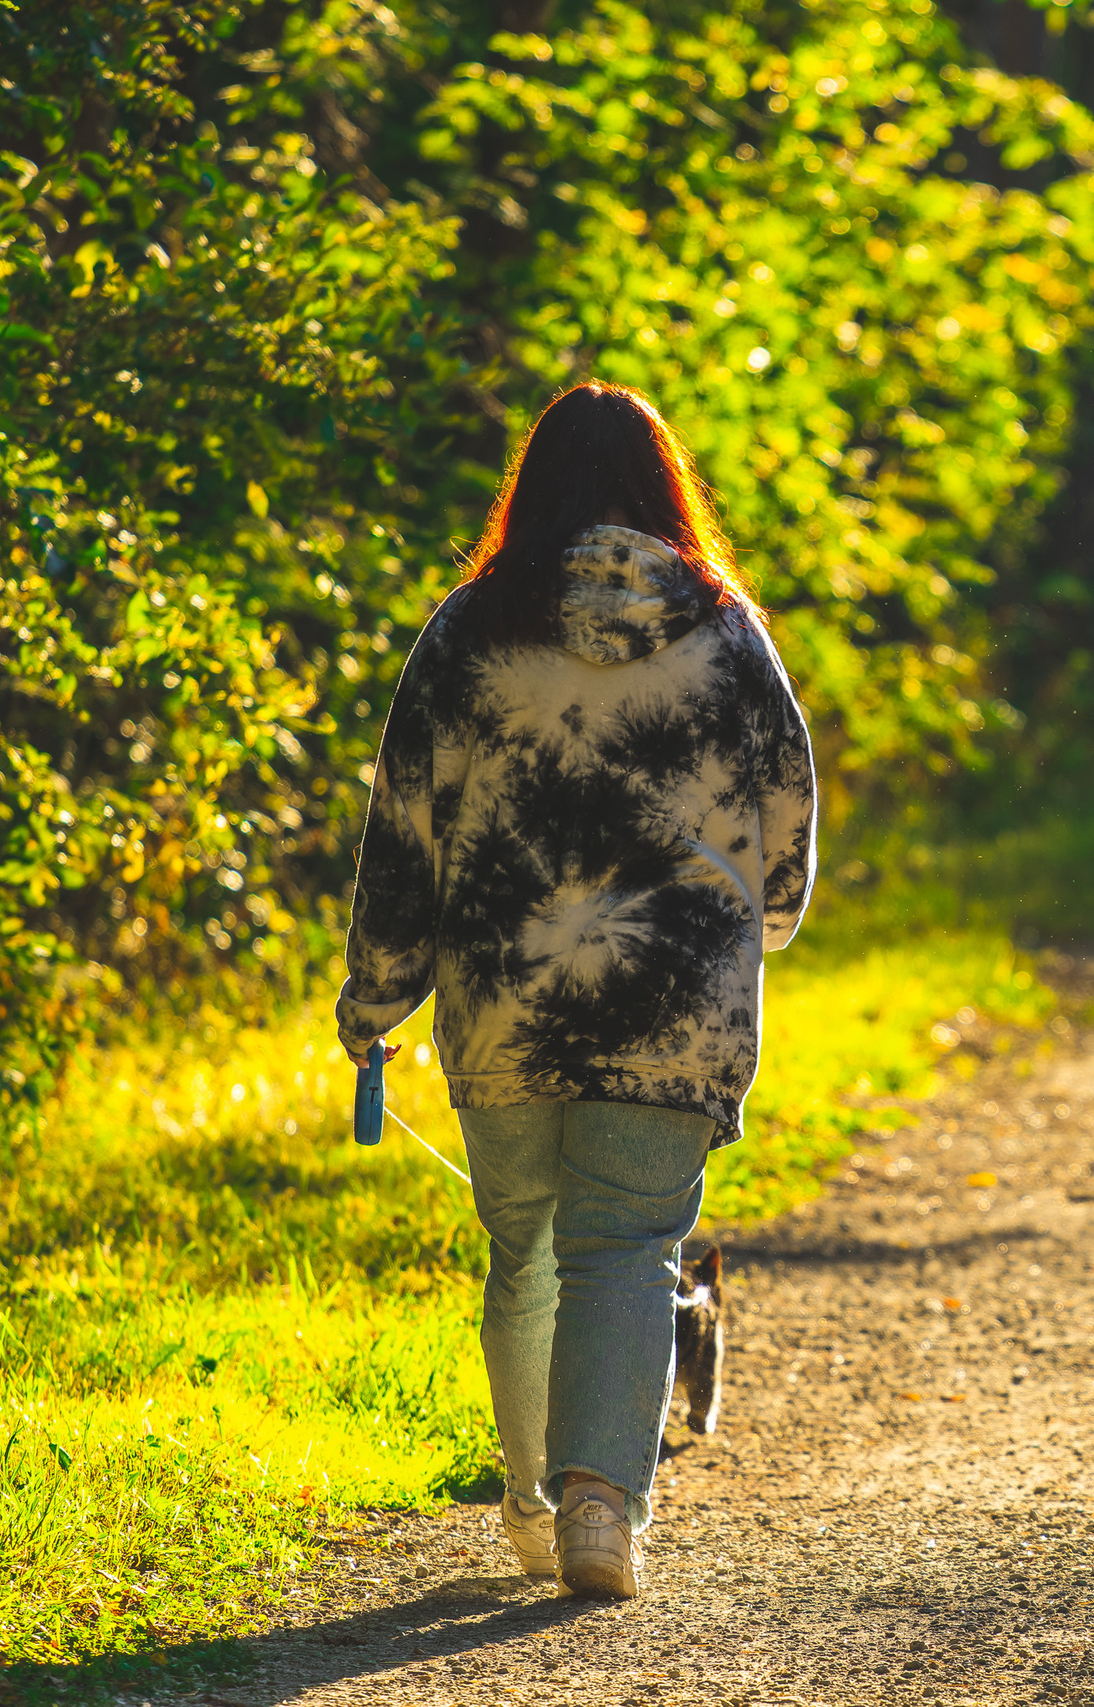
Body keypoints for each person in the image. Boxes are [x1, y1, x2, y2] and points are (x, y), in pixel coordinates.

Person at [335, 381, 816, 1599]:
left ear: (529, 489)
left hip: (505, 997)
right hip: (676, 1001)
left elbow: (405, 826)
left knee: (525, 1252)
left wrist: (378, 992)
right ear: (667, 492)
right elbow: (785, 803)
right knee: (625, 1246)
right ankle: (603, 1500)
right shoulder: (724, 628)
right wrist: (760, 926)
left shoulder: (468, 632)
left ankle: (537, 1504)